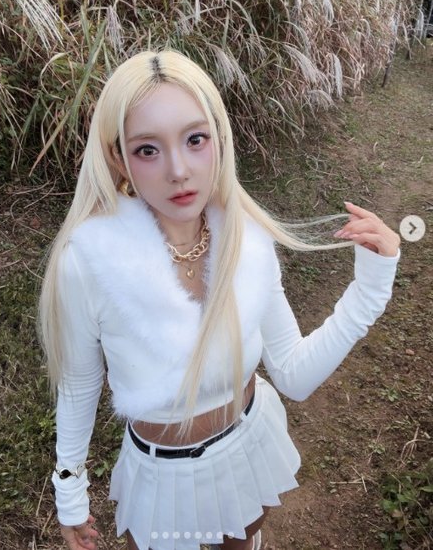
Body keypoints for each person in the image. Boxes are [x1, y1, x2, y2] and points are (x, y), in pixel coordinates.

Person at [38, 50, 401, 550]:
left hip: (248, 448)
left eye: (195, 139)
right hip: (162, 477)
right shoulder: (89, 262)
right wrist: (69, 490)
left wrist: (371, 290)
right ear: (118, 158)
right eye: (148, 149)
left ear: (219, 139)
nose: (179, 170)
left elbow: (293, 374)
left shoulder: (246, 239)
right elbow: (79, 384)